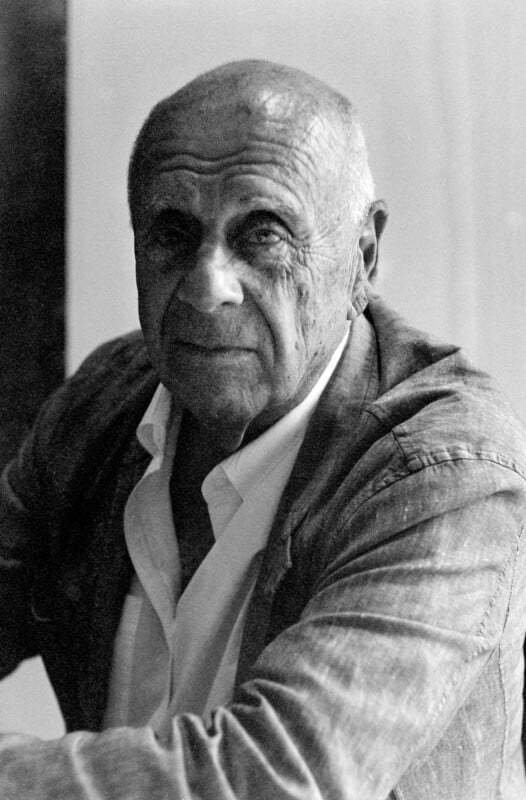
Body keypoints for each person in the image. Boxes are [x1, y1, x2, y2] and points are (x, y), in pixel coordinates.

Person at [1, 59, 526, 799]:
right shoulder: (108, 399)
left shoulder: (448, 472)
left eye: (263, 235)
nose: (208, 286)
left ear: (364, 257)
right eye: (172, 235)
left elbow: (278, 778)